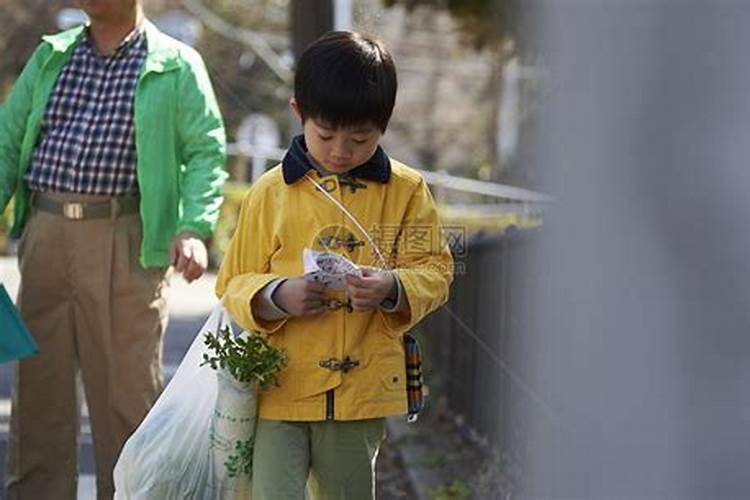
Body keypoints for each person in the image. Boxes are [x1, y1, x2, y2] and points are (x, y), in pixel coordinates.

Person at [0, 0, 227, 498]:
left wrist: (192, 227)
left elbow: (206, 150)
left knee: (126, 399)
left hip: (128, 238)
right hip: (46, 231)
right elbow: (7, 140)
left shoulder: (175, 63)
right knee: (40, 395)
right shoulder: (51, 56)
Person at [215, 30, 453, 500]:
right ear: (299, 113)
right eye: (325, 135)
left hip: (360, 391)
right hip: (277, 384)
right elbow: (232, 283)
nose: (340, 151)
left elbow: (437, 270)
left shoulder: (407, 192)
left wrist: (392, 286)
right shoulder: (270, 192)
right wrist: (277, 295)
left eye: (360, 138)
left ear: (383, 126)